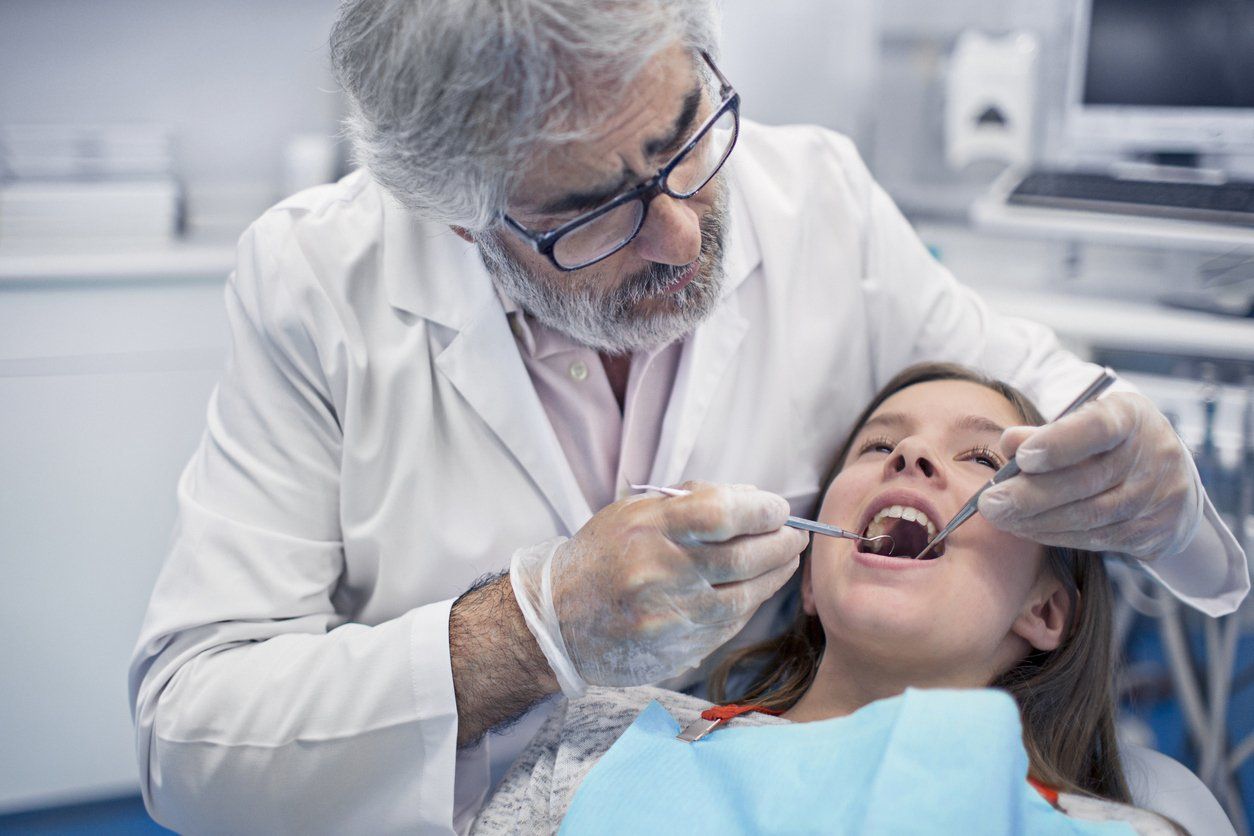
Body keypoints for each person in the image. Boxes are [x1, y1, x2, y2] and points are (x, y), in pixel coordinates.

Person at [128, 2, 1248, 832]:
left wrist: (1161, 500)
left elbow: (1058, 410)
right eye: (588, 213)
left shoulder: (820, 208)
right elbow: (191, 739)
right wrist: (530, 630)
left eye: (681, 140)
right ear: (458, 222)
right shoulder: (316, 279)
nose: (676, 234)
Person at [468, 364, 1218, 835]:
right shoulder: (596, 741)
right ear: (811, 581)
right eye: (875, 446)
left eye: (982, 458)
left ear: (1047, 611)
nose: (911, 455)